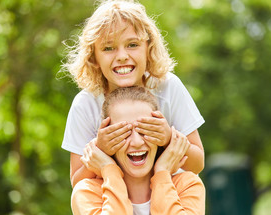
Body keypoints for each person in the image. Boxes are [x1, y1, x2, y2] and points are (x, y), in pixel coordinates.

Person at [61, 0, 205, 187]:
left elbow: (197, 164)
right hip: (117, 209)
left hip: (172, 203)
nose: (121, 56)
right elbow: (78, 183)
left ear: (148, 48)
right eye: (108, 48)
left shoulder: (168, 87)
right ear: (93, 57)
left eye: (132, 45)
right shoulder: (85, 104)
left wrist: (169, 138)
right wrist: (100, 149)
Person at [71, 86, 206, 215]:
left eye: (145, 131)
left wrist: (162, 173)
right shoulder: (88, 192)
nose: (136, 142)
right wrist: (109, 171)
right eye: (124, 132)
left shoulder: (187, 185)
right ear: (107, 139)